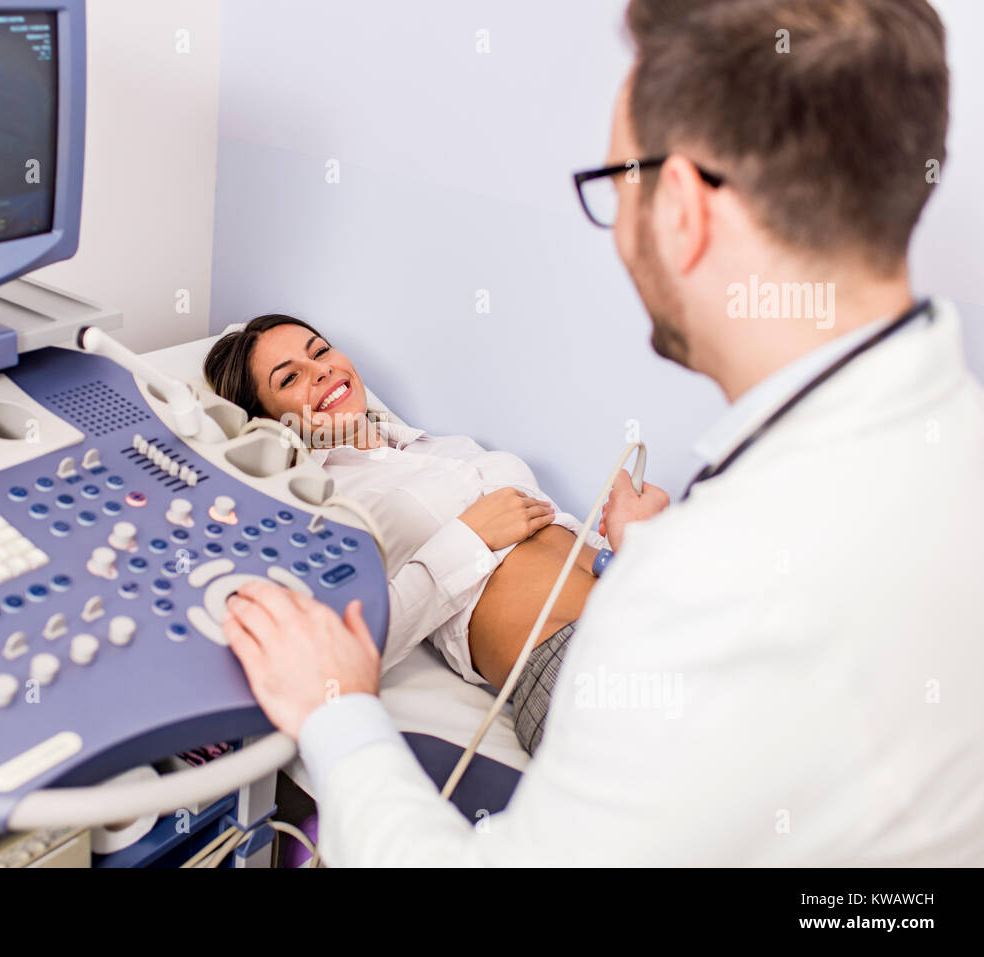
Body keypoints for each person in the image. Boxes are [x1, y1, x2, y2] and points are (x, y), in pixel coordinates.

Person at [219, 0, 984, 865]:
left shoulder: (693, 603)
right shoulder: (938, 442)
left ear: (685, 210)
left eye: (616, 185)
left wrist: (336, 715)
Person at [205, 314, 657, 754]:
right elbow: (352, 647)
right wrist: (470, 537)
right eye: (289, 378)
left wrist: (632, 540)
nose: (320, 370)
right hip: (568, 658)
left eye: (320, 351)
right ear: (267, 424)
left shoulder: (446, 447)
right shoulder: (322, 507)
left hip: (645, 605)